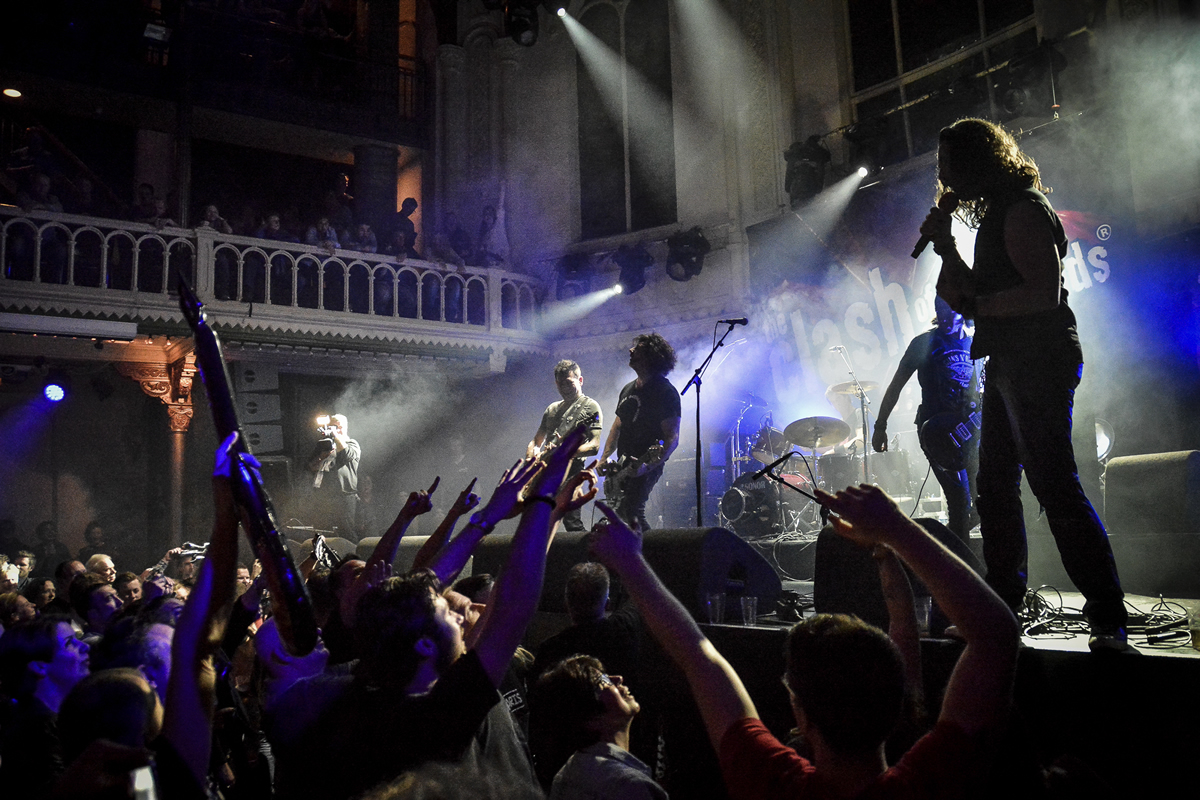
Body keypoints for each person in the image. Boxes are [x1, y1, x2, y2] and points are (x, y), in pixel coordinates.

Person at [589, 484, 1019, 800]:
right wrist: (894, 530)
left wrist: (631, 562)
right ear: (898, 702)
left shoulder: (774, 784)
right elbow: (996, 636)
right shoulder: (929, 784)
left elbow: (698, 655)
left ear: (801, 714)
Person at [921, 117, 1127, 650]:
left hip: (1039, 360)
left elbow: (1042, 295)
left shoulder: (1022, 210)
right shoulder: (994, 215)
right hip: (1009, 361)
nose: (945, 182)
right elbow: (966, 297)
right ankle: (1002, 607)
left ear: (975, 163)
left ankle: (1107, 616)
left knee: (1054, 485)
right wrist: (945, 249)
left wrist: (984, 307)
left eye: (949, 169)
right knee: (993, 488)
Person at [873, 295, 980, 542]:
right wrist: (881, 425)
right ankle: (956, 570)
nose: (944, 315)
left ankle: (952, 546)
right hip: (936, 433)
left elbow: (979, 391)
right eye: (940, 310)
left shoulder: (976, 344)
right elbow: (896, 385)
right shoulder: (925, 343)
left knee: (984, 498)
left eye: (949, 309)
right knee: (958, 500)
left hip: (971, 434)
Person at [531, 655, 665, 800]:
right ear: (588, 717)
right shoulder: (628, 785)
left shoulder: (566, 773)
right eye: (603, 681)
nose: (618, 678)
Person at [600, 334, 681, 531]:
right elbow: (616, 426)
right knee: (621, 513)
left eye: (638, 349)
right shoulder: (628, 389)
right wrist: (604, 458)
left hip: (645, 462)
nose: (631, 350)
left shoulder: (665, 391)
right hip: (622, 463)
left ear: (652, 357)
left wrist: (650, 465)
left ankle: (650, 554)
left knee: (633, 510)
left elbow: (672, 437)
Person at [527, 359, 603, 531]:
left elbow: (594, 446)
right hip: (546, 470)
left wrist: (566, 452)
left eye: (569, 383)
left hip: (572, 469)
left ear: (580, 380)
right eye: (560, 384)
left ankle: (584, 556)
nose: (565, 388)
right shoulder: (552, 409)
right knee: (538, 519)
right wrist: (533, 455)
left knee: (571, 520)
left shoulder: (590, 407)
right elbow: (536, 441)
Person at [305, 413, 361, 537]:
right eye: (332, 426)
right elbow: (310, 467)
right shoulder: (323, 446)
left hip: (344, 495)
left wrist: (335, 435)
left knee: (346, 531)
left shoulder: (352, 443)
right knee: (322, 531)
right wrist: (321, 457)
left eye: (338, 426)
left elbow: (346, 454)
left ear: (345, 427)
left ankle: (351, 554)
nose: (336, 429)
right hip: (324, 495)